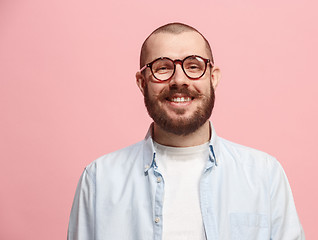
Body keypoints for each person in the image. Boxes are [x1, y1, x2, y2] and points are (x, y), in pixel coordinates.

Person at [67, 22, 305, 240]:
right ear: (142, 82)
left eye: (194, 66)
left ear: (213, 77)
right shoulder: (99, 179)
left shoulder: (264, 175)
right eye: (162, 68)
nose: (179, 80)